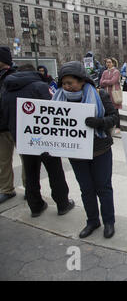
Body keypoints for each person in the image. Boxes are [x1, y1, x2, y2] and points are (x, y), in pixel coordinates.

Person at [53, 61, 119, 239]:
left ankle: (109, 221)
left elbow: (113, 117)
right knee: (86, 189)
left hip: (100, 151)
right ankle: (92, 221)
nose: (68, 87)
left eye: (71, 83)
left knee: (103, 188)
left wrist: (100, 123)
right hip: (76, 153)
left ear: (82, 81)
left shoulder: (99, 94)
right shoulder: (58, 99)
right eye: (64, 83)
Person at [2, 63, 75, 217]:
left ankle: (35, 206)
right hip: (45, 139)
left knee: (30, 173)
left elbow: (5, 115)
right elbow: (54, 109)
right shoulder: (40, 87)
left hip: (22, 138)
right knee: (55, 171)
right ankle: (62, 204)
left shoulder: (7, 88)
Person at [0, 46, 24, 204]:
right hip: (1, 126)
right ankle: (6, 189)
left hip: (17, 124)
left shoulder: (16, 77)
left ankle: (30, 188)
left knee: (27, 160)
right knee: (3, 160)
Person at [100, 57, 122, 134]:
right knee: (107, 109)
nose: (108, 64)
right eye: (107, 62)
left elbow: (113, 81)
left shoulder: (116, 72)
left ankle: (118, 126)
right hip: (106, 93)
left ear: (113, 63)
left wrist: (105, 81)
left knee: (115, 110)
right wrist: (107, 82)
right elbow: (101, 82)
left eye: (109, 62)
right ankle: (109, 126)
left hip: (114, 93)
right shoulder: (104, 72)